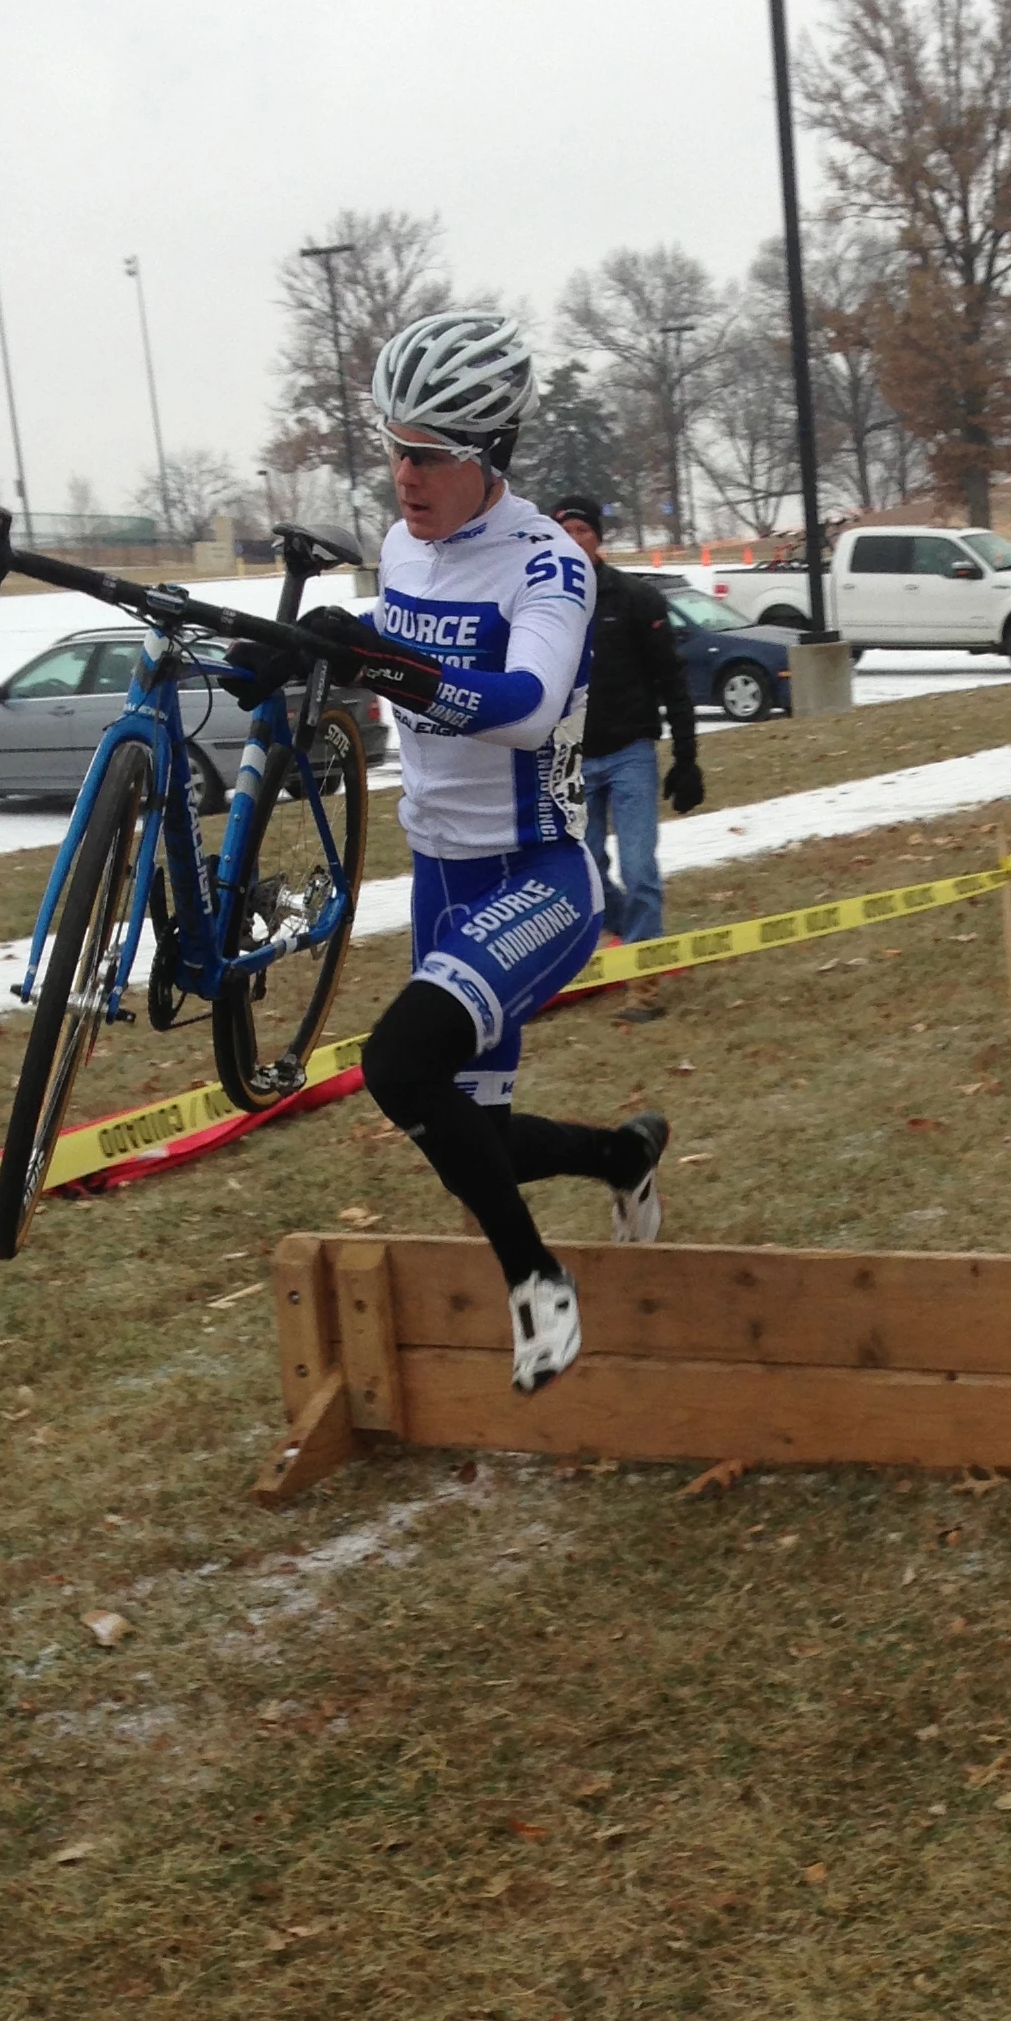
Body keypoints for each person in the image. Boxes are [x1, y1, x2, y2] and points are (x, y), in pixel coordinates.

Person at [251, 312, 668, 1394]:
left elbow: (526, 707)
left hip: (540, 873)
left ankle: (539, 1283)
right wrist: (310, 659)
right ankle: (621, 1154)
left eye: (430, 454)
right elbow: (387, 668)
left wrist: (381, 663)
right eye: (394, 448)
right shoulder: (402, 547)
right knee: (469, 1142)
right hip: (440, 874)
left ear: (490, 454)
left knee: (397, 1066)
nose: (406, 475)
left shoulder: (549, 565)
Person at [552, 492, 704, 1027]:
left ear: (598, 538)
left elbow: (672, 680)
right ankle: (637, 938)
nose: (573, 541)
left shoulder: (635, 599)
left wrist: (686, 758)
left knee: (640, 870)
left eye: (582, 531)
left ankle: (644, 984)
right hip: (573, 760)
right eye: (563, 532)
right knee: (586, 872)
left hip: (630, 754)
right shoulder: (544, 604)